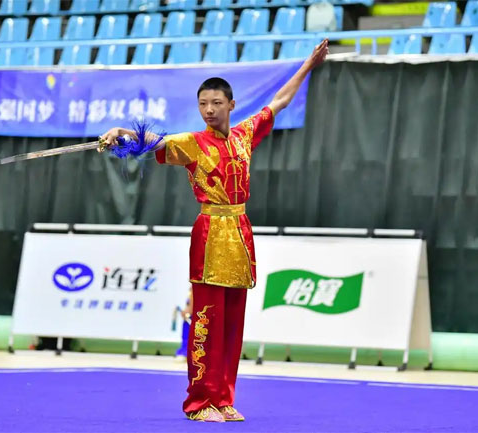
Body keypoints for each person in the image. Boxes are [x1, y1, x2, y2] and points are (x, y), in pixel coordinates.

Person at [98, 40, 329, 422]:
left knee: (232, 326)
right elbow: (154, 140)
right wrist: (120, 131)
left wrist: (308, 66)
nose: (209, 109)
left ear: (231, 105)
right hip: (209, 235)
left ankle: (223, 398)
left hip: (239, 233)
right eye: (203, 103)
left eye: (216, 103)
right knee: (206, 321)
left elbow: (280, 101)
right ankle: (198, 403)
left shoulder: (244, 135)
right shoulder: (192, 143)